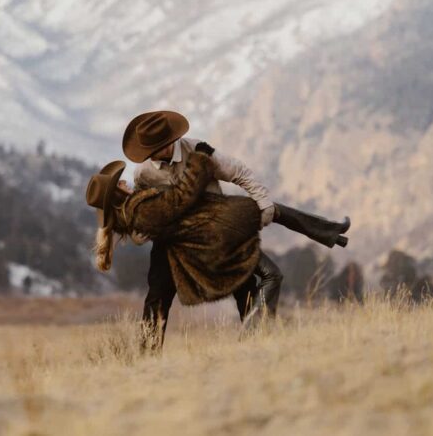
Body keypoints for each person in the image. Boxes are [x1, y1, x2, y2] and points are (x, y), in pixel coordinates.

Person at [121, 110, 350, 347]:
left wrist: (263, 202)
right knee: (158, 293)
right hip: (173, 241)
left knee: (246, 285)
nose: (165, 150)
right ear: (148, 151)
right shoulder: (143, 174)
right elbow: (144, 210)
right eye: (157, 149)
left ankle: (255, 345)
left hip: (218, 232)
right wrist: (142, 233)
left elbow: (238, 171)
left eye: (167, 143)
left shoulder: (199, 151)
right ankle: (147, 354)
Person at [86, 147, 271, 351]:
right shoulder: (141, 197)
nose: (124, 182)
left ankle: (148, 353)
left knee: (157, 300)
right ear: (117, 194)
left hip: (172, 245)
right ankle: (258, 338)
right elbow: (181, 197)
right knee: (240, 279)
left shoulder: (133, 204)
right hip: (188, 240)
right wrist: (199, 160)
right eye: (119, 183)